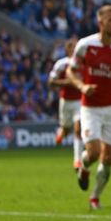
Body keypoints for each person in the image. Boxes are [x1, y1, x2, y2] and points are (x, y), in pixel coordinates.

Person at [66, 5, 111, 210]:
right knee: (95, 152)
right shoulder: (85, 45)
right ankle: (84, 165)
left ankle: (95, 197)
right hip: (90, 107)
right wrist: (82, 86)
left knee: (108, 157)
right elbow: (71, 72)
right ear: (101, 22)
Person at [48, 38, 83, 169]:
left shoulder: (83, 64)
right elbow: (51, 82)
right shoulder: (61, 64)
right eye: (73, 48)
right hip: (66, 102)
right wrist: (66, 83)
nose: (75, 50)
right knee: (66, 129)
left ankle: (77, 160)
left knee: (78, 129)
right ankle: (61, 132)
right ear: (68, 50)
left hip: (80, 101)